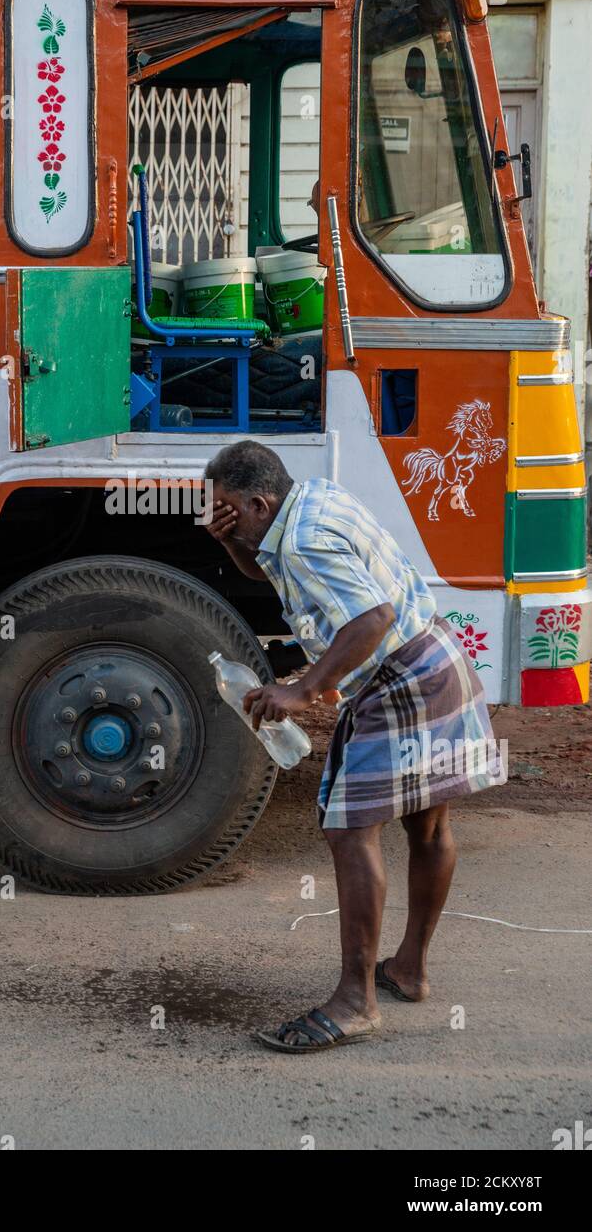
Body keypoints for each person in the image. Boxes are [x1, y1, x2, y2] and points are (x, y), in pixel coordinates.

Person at [205, 439, 505, 1054]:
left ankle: (354, 1002)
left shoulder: (305, 538)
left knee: (349, 829)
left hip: (399, 676)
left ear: (260, 502)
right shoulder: (311, 498)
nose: (221, 513)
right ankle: (409, 970)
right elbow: (272, 569)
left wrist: (304, 689)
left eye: (229, 508)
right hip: (435, 656)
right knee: (426, 828)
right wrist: (232, 539)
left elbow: (369, 616)